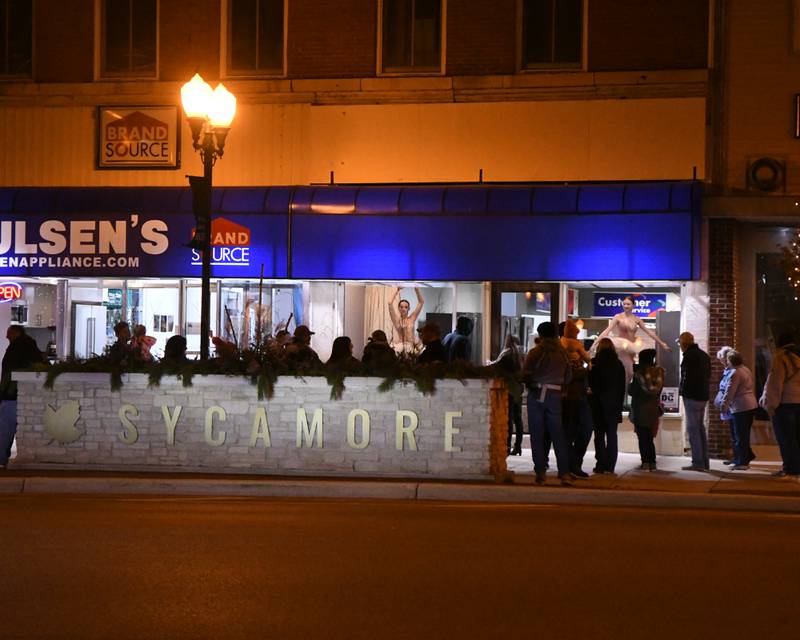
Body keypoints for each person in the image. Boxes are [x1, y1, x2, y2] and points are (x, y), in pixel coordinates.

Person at [523, 321, 573, 486]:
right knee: (558, 435)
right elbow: (569, 377)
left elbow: (525, 374)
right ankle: (564, 472)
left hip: (537, 394)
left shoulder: (536, 352)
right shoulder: (564, 353)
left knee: (537, 435)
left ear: (541, 335)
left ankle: (540, 472)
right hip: (556, 395)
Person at [592, 295, 672, 384]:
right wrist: (595, 343)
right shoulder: (618, 317)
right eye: (624, 304)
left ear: (633, 305)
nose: (625, 306)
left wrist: (662, 343)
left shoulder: (637, 319)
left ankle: (624, 392)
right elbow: (607, 330)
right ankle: (622, 392)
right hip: (622, 348)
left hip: (632, 348)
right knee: (627, 370)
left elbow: (649, 332)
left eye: (628, 304)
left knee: (630, 372)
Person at [0, 325, 45, 469]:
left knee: (6, 426)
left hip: (12, 393)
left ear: (16, 333)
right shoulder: (29, 345)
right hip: (19, 393)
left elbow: (10, 370)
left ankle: (1, 457)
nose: (7, 336)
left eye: (9, 333)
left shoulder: (17, 347)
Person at [759, 332, 800, 479]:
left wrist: (770, 405)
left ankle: (790, 469)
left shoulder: (781, 359)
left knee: (786, 438)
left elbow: (775, 384)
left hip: (785, 404)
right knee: (797, 438)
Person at [588, 337, 626, 474]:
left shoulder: (594, 363)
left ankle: (601, 464)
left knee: (599, 435)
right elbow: (622, 388)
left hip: (598, 404)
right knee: (612, 435)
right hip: (614, 405)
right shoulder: (618, 364)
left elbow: (591, 384)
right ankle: (610, 465)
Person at [718, 350, 758, 470]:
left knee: (739, 435)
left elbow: (730, 392)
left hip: (740, 406)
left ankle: (742, 462)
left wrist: (723, 407)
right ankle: (744, 457)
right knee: (743, 434)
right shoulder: (746, 369)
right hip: (750, 405)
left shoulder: (735, 373)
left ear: (730, 361)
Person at [678, 331, 711, 471]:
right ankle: (704, 460)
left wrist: (683, 391)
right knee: (700, 427)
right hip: (703, 395)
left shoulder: (689, 356)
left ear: (683, 344)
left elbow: (687, 377)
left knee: (693, 429)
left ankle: (698, 462)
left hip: (692, 396)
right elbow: (708, 374)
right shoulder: (704, 355)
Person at [629, 348, 664, 471]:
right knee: (649, 437)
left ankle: (645, 462)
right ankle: (652, 462)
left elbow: (632, 391)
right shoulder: (659, 372)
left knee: (642, 437)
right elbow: (658, 391)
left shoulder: (639, 374)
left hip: (640, 409)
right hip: (653, 408)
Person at [489, 335, 524, 456]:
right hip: (518, 389)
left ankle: (507, 445)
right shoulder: (518, 355)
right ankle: (518, 446)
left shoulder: (506, 354)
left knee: (508, 418)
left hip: (509, 388)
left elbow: (496, 367)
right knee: (518, 419)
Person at [713, 346, 737, 465]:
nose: (721, 361)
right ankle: (736, 457)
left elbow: (729, 390)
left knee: (735, 433)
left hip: (733, 406)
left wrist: (724, 404)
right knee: (733, 433)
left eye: (722, 359)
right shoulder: (728, 370)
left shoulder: (733, 371)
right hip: (729, 406)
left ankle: (738, 458)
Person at [388, 287, 424, 354]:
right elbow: (390, 303)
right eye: (401, 307)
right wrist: (397, 290)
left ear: (409, 308)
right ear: (398, 308)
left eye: (406, 307)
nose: (403, 309)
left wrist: (417, 290)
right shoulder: (396, 320)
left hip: (410, 347)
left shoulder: (412, 318)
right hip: (399, 347)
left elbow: (421, 302)